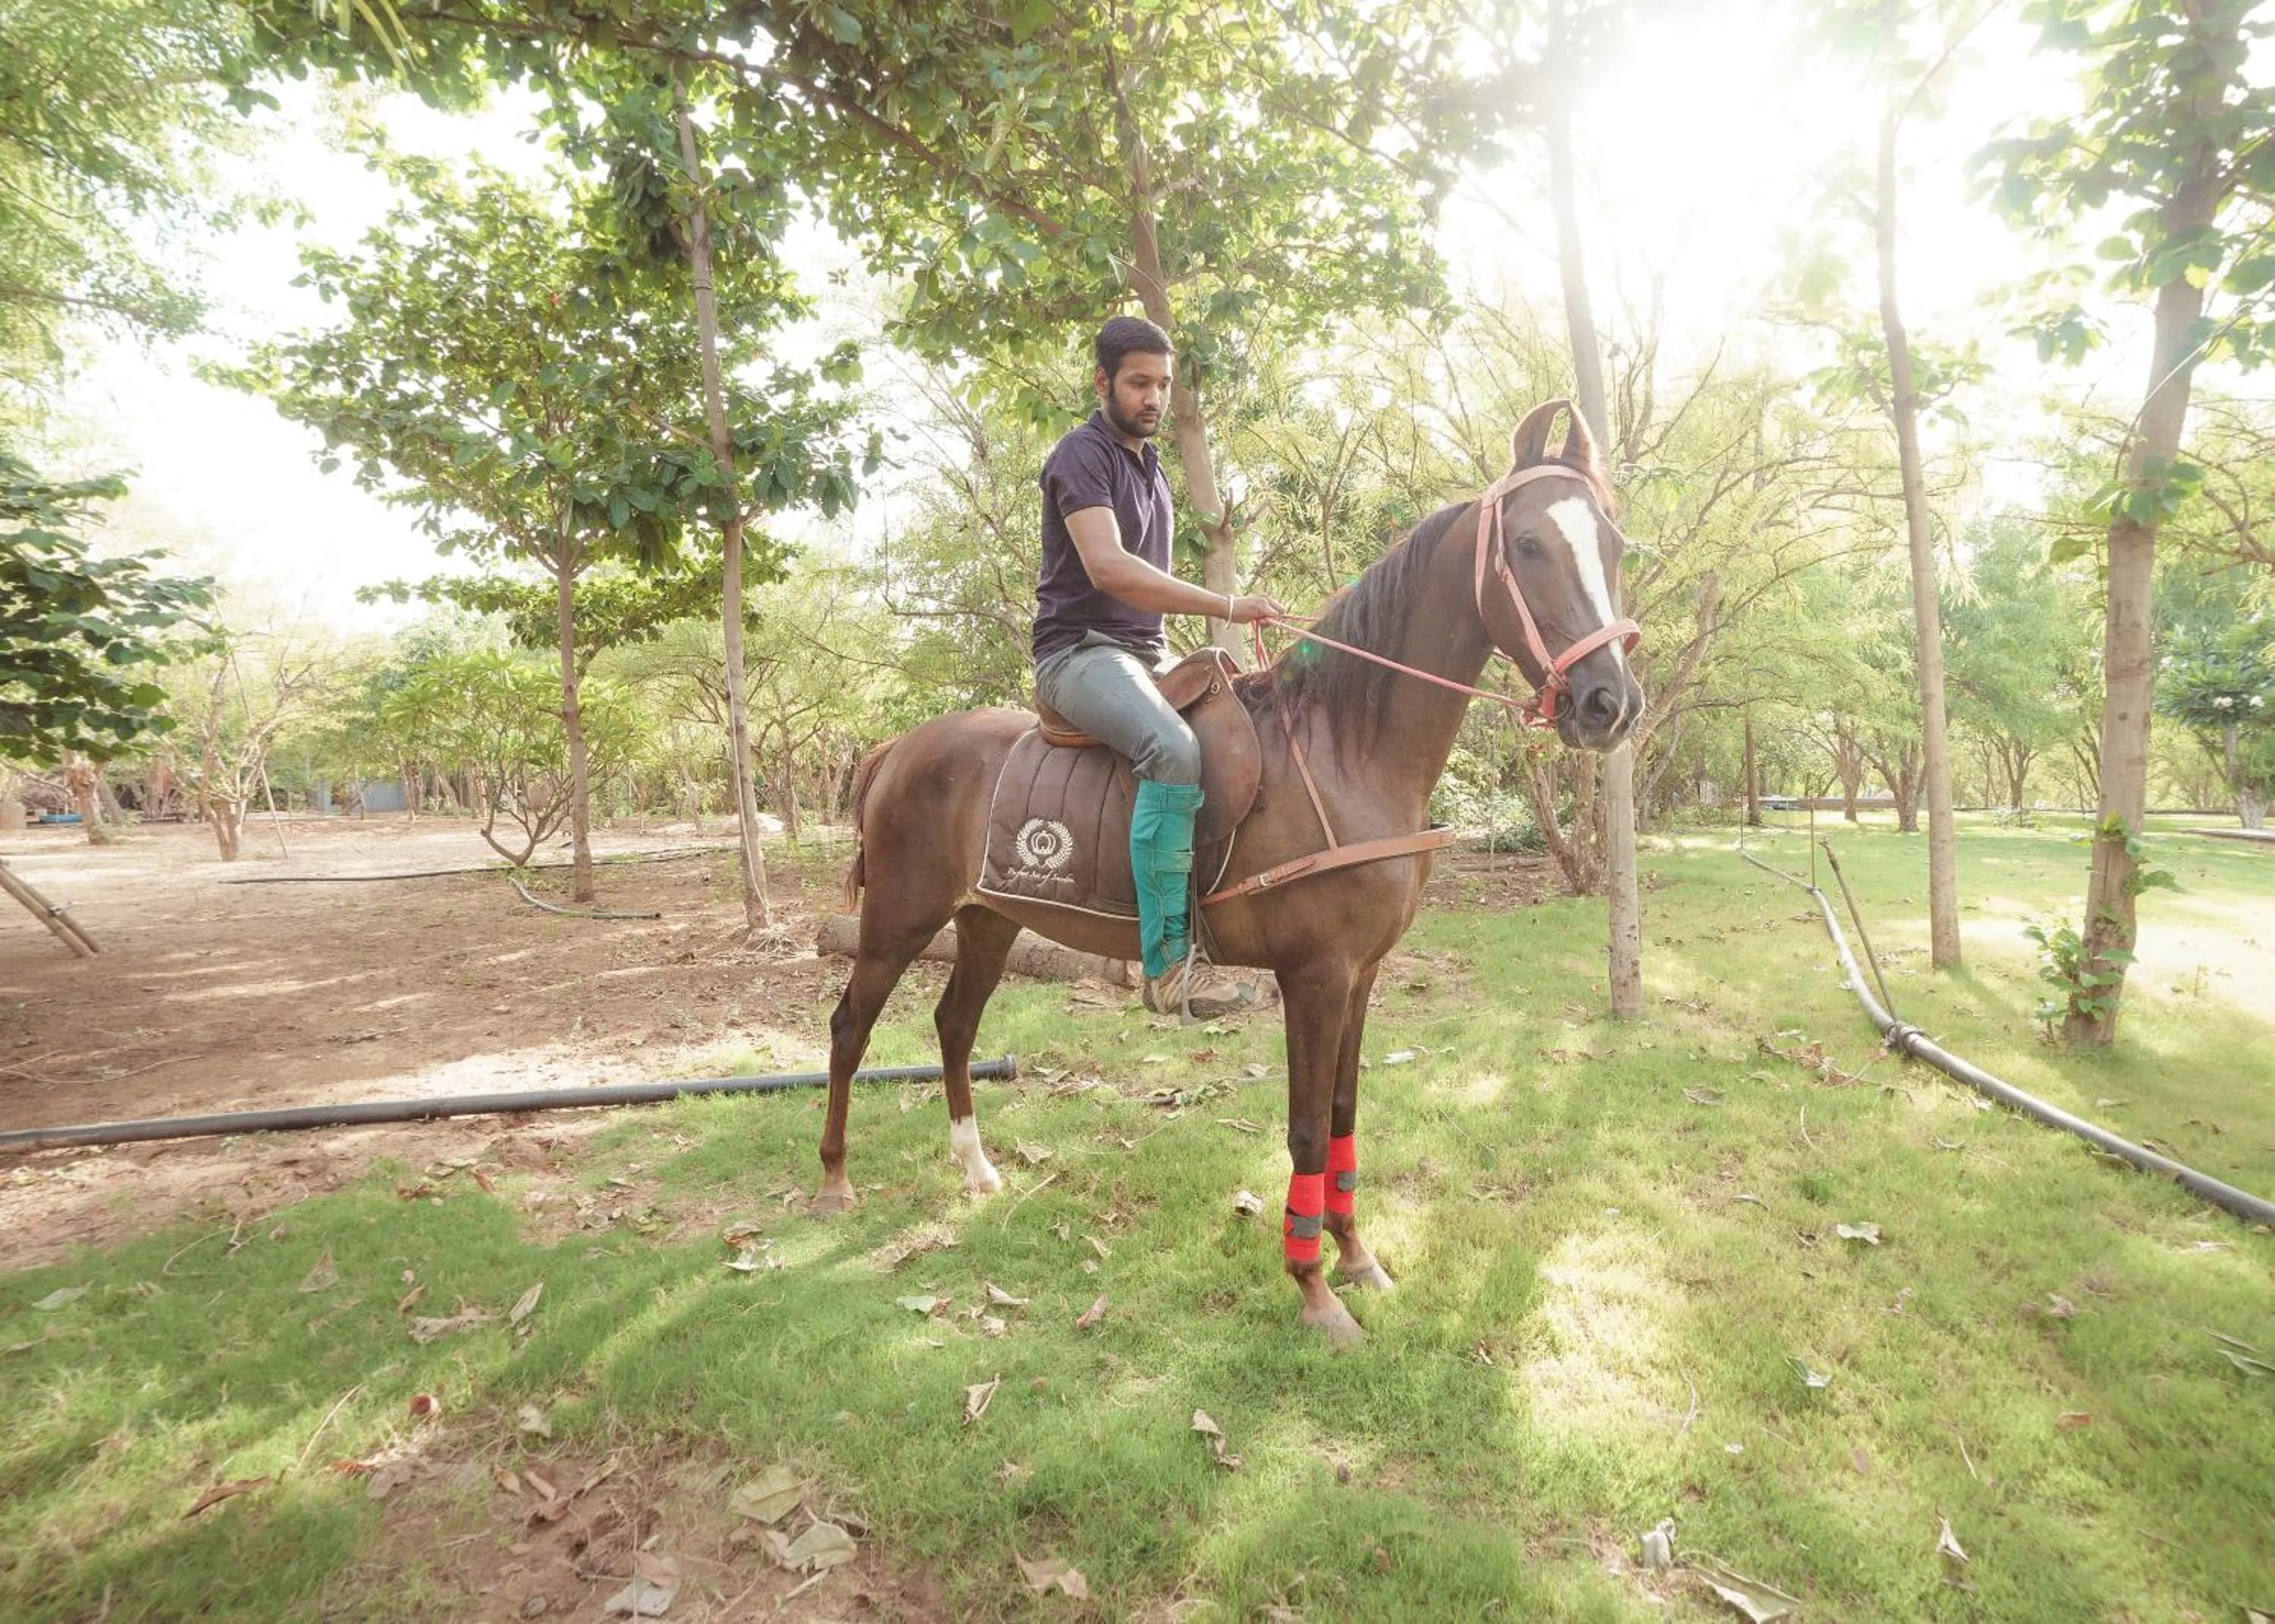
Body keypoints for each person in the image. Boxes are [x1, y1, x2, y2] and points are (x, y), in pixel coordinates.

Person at [1032, 316, 1282, 1020]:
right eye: (1140, 383)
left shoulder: (1151, 467)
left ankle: (1232, 932)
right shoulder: (1081, 455)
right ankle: (1168, 969)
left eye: (1164, 385)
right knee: (1171, 750)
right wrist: (1227, 605)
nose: (1154, 398)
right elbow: (1109, 569)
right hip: (1078, 651)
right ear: (1103, 381)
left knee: (1246, 722)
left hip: (1146, 654)